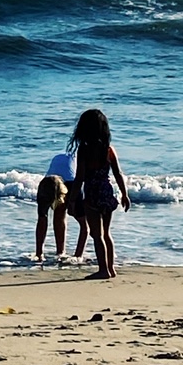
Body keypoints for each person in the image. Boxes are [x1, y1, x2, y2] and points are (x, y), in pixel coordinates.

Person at [71, 106, 129, 280]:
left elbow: (80, 177)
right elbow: (118, 173)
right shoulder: (109, 149)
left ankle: (103, 269)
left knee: (96, 234)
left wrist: (73, 199)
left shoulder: (85, 149)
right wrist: (124, 194)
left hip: (92, 194)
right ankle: (111, 269)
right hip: (106, 192)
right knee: (107, 233)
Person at [35, 146, 88, 265]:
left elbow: (85, 227)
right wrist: (39, 254)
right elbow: (41, 221)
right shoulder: (44, 187)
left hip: (71, 179)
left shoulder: (74, 185)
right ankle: (58, 253)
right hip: (53, 178)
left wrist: (77, 257)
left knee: (74, 216)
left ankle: (68, 253)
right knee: (53, 214)